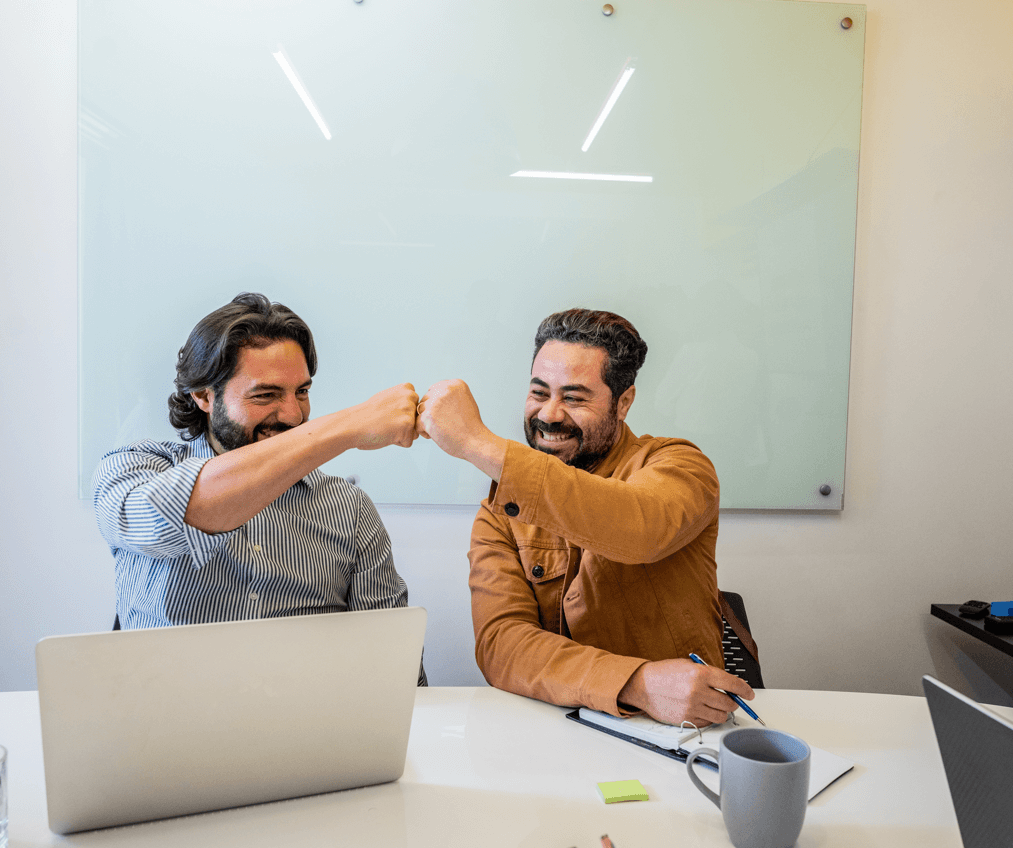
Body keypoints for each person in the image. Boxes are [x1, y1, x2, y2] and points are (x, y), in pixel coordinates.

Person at [415, 308, 755, 725]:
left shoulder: (680, 465)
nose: (550, 414)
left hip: (679, 733)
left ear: (624, 402)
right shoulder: (500, 509)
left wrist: (477, 443)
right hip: (558, 733)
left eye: (574, 398)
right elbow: (502, 646)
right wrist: (635, 683)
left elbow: (641, 528)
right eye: (539, 392)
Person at [93, 292, 421, 646]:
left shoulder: (349, 508)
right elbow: (174, 516)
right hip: (170, 699)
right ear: (204, 396)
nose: (294, 416)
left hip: (310, 700)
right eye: (266, 395)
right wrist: (351, 424)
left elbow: (390, 653)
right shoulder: (132, 471)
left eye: (302, 391)